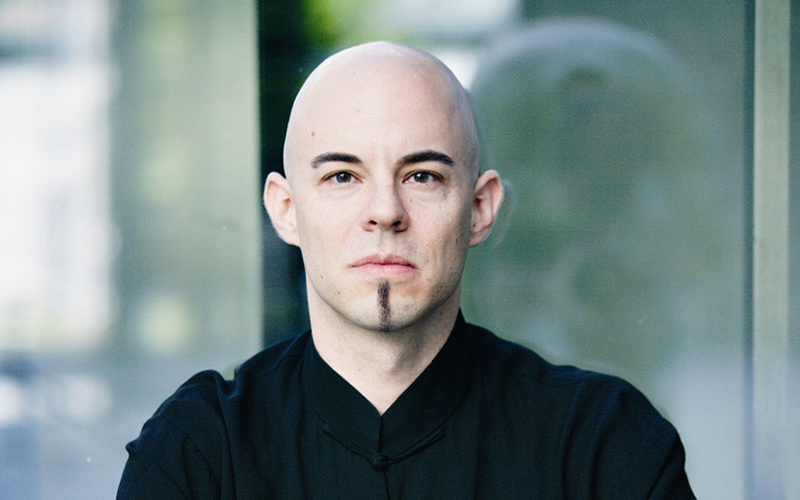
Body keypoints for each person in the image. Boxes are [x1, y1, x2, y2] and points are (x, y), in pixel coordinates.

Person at [118, 41, 695, 499]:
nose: (385, 212)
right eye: (342, 177)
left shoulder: (604, 446)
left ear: (479, 209)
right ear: (286, 210)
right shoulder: (199, 453)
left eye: (422, 176)